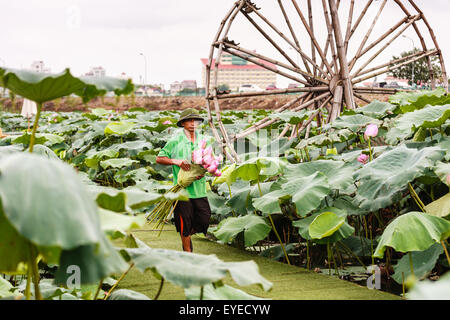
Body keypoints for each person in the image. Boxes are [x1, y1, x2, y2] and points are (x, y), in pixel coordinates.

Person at [156, 108, 213, 252]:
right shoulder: (175, 141)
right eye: (190, 120)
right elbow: (159, 158)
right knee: (184, 224)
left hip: (199, 189)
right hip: (181, 191)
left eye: (196, 120)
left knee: (205, 219)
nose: (193, 123)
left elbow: (209, 161)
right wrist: (177, 161)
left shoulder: (204, 140)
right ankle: (188, 253)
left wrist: (204, 169)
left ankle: (187, 232)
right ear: (182, 123)